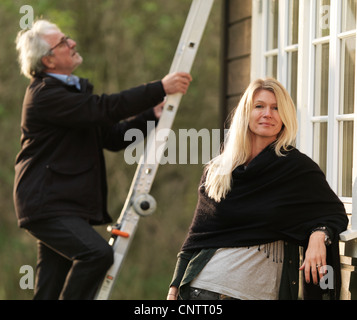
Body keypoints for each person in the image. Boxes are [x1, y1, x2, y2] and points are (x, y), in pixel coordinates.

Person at [14, 19, 192, 300]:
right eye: (63, 42)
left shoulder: (71, 95)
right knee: (97, 255)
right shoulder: (45, 95)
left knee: (48, 289)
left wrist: (151, 116)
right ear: (48, 60)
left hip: (62, 204)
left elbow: (112, 137)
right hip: (47, 204)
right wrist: (159, 88)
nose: (72, 43)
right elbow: (105, 108)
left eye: (68, 38)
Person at [167, 78, 348, 300]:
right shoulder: (219, 170)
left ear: (285, 117)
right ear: (246, 113)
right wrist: (175, 285)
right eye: (259, 106)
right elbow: (198, 234)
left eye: (276, 108)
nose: (267, 114)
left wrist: (319, 236)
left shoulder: (297, 169)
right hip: (203, 289)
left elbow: (333, 214)